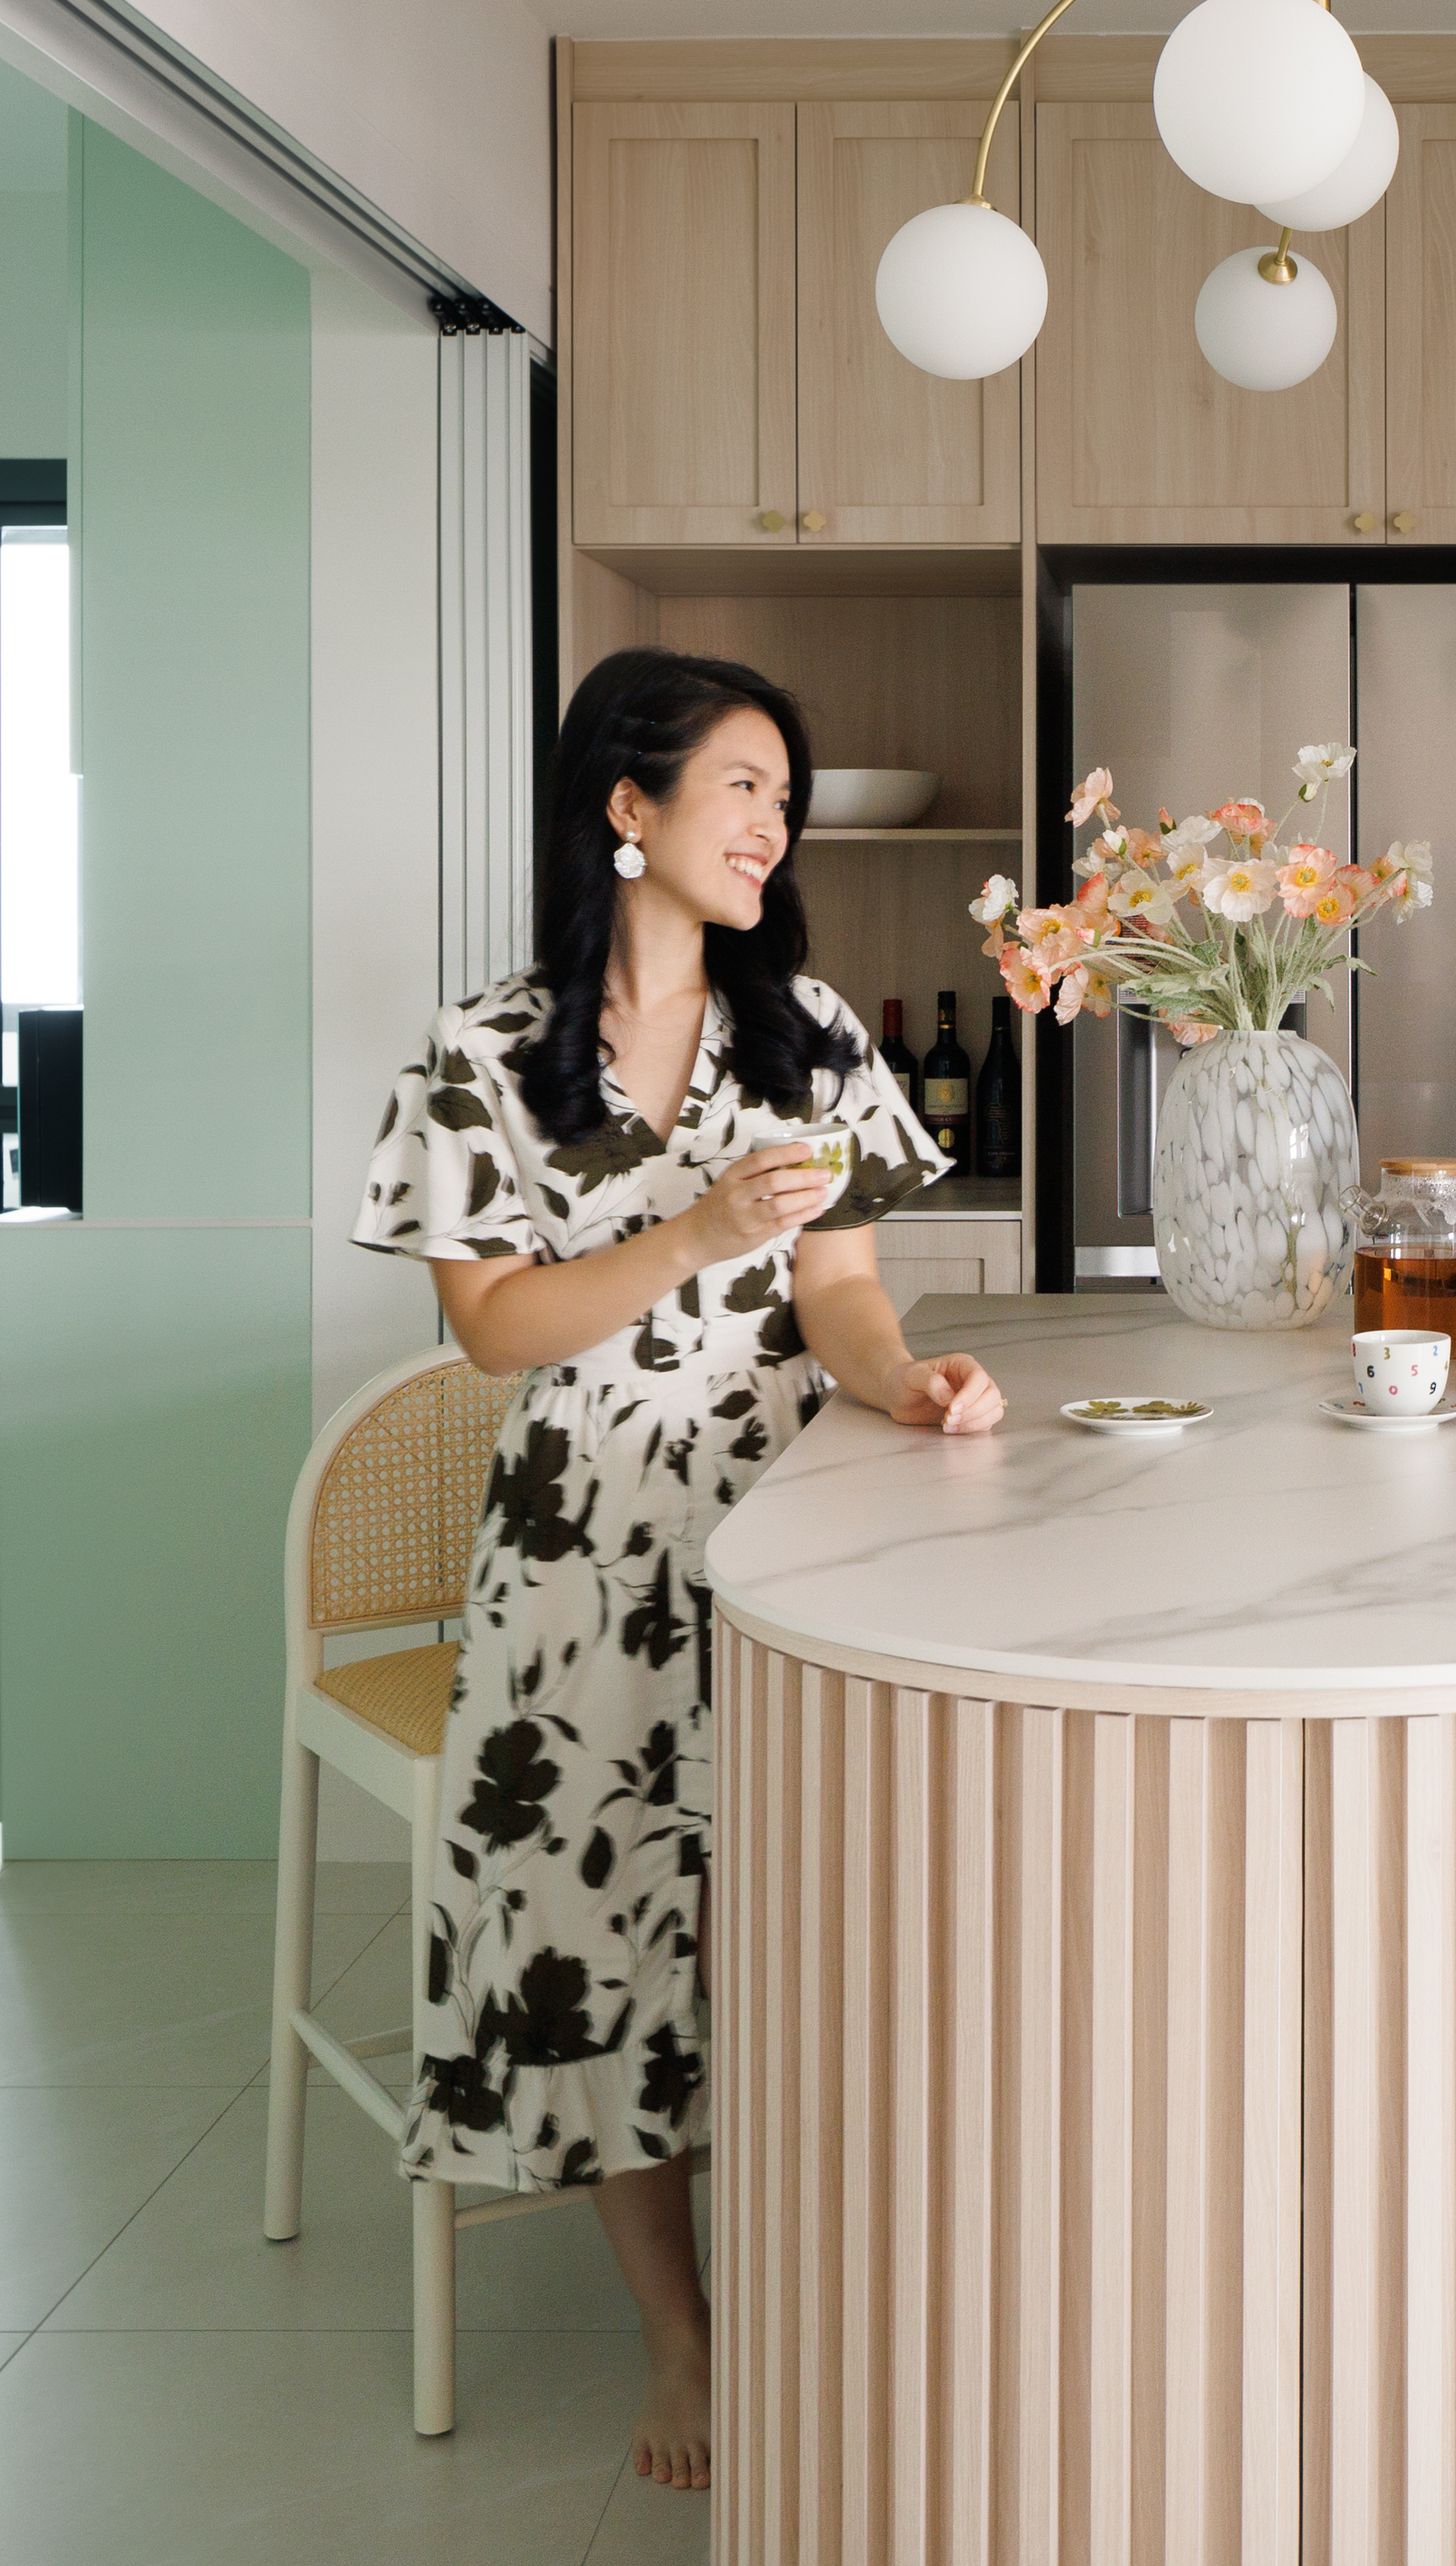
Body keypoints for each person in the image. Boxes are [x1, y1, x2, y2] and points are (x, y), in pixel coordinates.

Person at [350, 647, 1006, 2492]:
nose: (771, 824)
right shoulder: (489, 1048)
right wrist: (695, 1222)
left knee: (788, 1908)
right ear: (625, 809)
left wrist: (906, 1375)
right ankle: (682, 2328)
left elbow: (844, 1288)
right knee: (602, 1931)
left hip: (788, 1522)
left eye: (782, 794)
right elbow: (495, 1329)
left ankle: (821, 2269)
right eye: (740, 785)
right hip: (579, 1545)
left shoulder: (802, 1030)